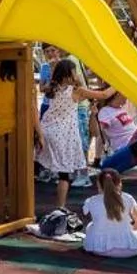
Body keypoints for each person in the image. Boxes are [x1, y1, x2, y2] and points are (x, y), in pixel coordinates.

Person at [35, 58, 91, 213]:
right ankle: (60, 208)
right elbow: (103, 94)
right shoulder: (75, 91)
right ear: (69, 74)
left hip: (47, 130)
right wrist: (116, 85)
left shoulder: (53, 89)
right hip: (62, 134)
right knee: (64, 174)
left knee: (40, 164)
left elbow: (43, 88)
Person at [81, 168, 137, 258]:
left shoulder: (91, 201)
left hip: (98, 249)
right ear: (120, 183)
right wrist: (128, 230)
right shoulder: (127, 198)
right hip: (129, 250)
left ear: (99, 185)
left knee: (90, 226)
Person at [92, 88, 137, 163]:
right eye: (125, 95)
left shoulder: (120, 109)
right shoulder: (105, 111)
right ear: (118, 94)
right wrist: (93, 115)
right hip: (125, 146)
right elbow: (98, 131)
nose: (127, 98)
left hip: (134, 140)